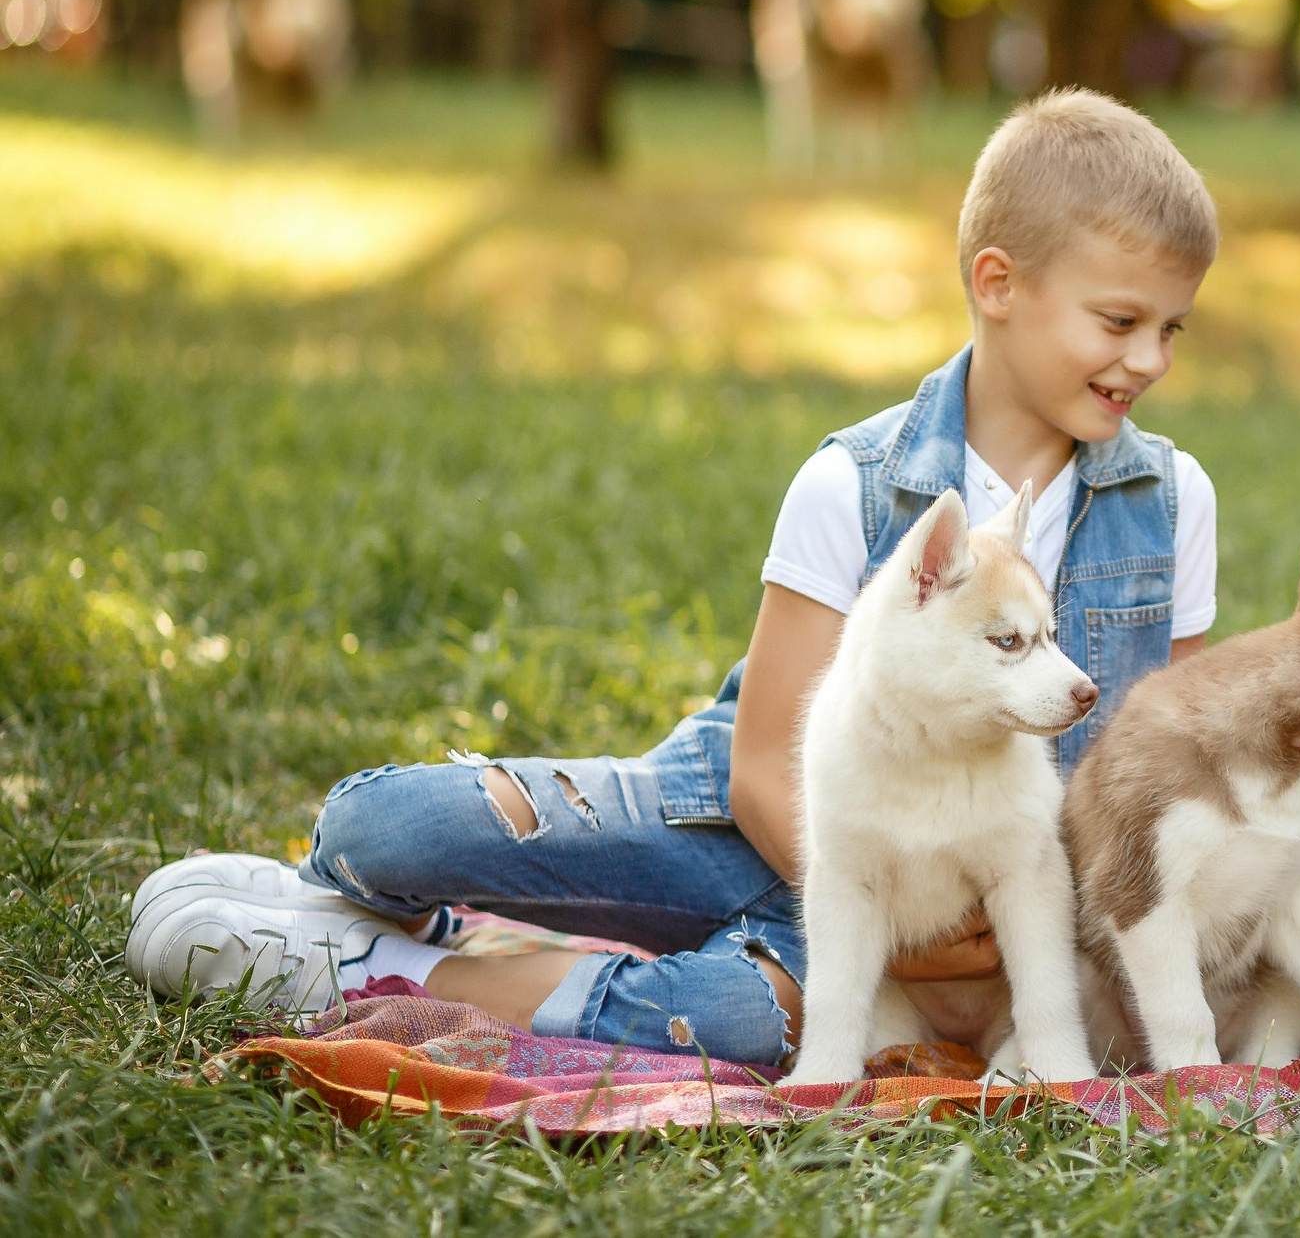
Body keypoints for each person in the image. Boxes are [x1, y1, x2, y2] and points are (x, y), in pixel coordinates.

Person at [125, 89, 1224, 1069]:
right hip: (760, 834)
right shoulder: (854, 482)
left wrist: (975, 946)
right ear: (997, 284)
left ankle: (368, 969)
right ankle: (348, 891)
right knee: (390, 834)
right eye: (1119, 322)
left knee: (736, 1025)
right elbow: (761, 773)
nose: (1151, 362)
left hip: (974, 890)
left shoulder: (1172, 505)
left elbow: (1158, 782)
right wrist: (906, 937)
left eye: (1171, 328)